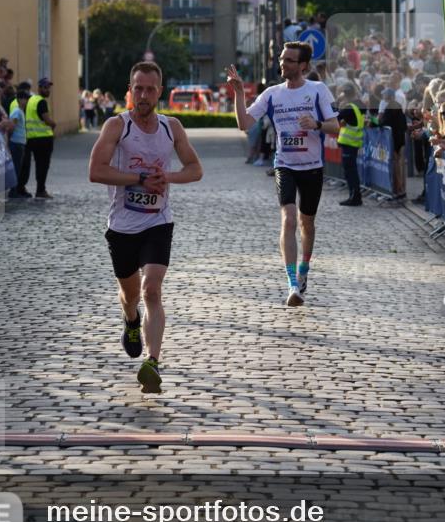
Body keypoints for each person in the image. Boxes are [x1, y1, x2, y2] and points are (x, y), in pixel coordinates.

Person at [89, 60, 203, 394]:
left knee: (153, 289)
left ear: (159, 93)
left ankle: (152, 362)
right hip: (122, 226)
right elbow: (95, 171)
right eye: (138, 88)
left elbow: (195, 169)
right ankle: (130, 320)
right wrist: (139, 178)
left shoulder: (172, 128)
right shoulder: (116, 127)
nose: (143, 95)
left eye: (150, 89)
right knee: (130, 295)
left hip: (158, 222)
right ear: (130, 89)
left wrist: (166, 177)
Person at [227, 41, 339, 307]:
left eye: (289, 60)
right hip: (285, 164)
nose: (282, 63)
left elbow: (335, 127)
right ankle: (291, 283)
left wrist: (317, 124)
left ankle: (304, 270)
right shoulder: (272, 94)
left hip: (312, 166)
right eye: (281, 58)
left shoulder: (317, 90)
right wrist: (240, 93)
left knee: (306, 223)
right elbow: (244, 123)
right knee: (288, 218)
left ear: (303, 66)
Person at [20, 78, 56, 198]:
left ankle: (28, 188)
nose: (48, 90)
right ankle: (41, 190)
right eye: (45, 87)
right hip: (43, 138)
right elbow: (46, 119)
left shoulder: (31, 100)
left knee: (32, 165)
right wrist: (53, 124)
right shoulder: (41, 101)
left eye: (48, 87)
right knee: (43, 165)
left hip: (31, 138)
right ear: (39, 88)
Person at [336, 83, 364, 206]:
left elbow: (335, 118)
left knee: (350, 172)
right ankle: (355, 195)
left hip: (349, 143)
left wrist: (338, 102)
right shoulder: (361, 104)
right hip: (355, 142)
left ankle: (354, 197)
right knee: (352, 170)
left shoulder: (349, 107)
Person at [8, 90, 30, 198]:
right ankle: (13, 191)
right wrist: (9, 139)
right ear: (20, 99)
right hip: (16, 142)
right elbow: (12, 126)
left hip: (20, 142)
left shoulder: (20, 111)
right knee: (16, 167)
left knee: (18, 167)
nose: (27, 101)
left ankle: (15, 190)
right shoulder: (17, 111)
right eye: (25, 99)